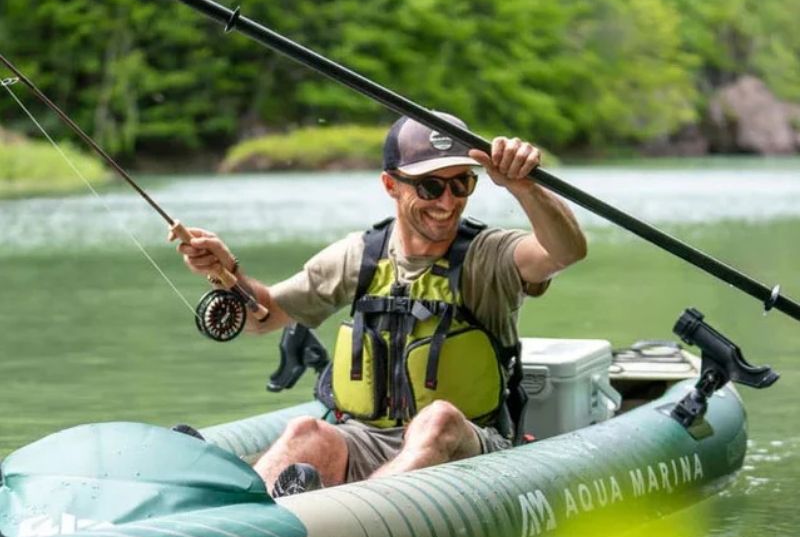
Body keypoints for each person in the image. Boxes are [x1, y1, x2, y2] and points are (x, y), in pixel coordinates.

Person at [174, 113, 587, 496]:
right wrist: (227, 272)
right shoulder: (359, 256)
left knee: (438, 419)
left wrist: (524, 186)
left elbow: (565, 252)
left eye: (461, 184)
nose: (447, 202)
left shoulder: (490, 255)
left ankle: (353, 515)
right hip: (367, 440)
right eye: (430, 187)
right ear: (391, 185)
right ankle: (236, 510)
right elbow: (262, 316)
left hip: (470, 445)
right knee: (305, 432)